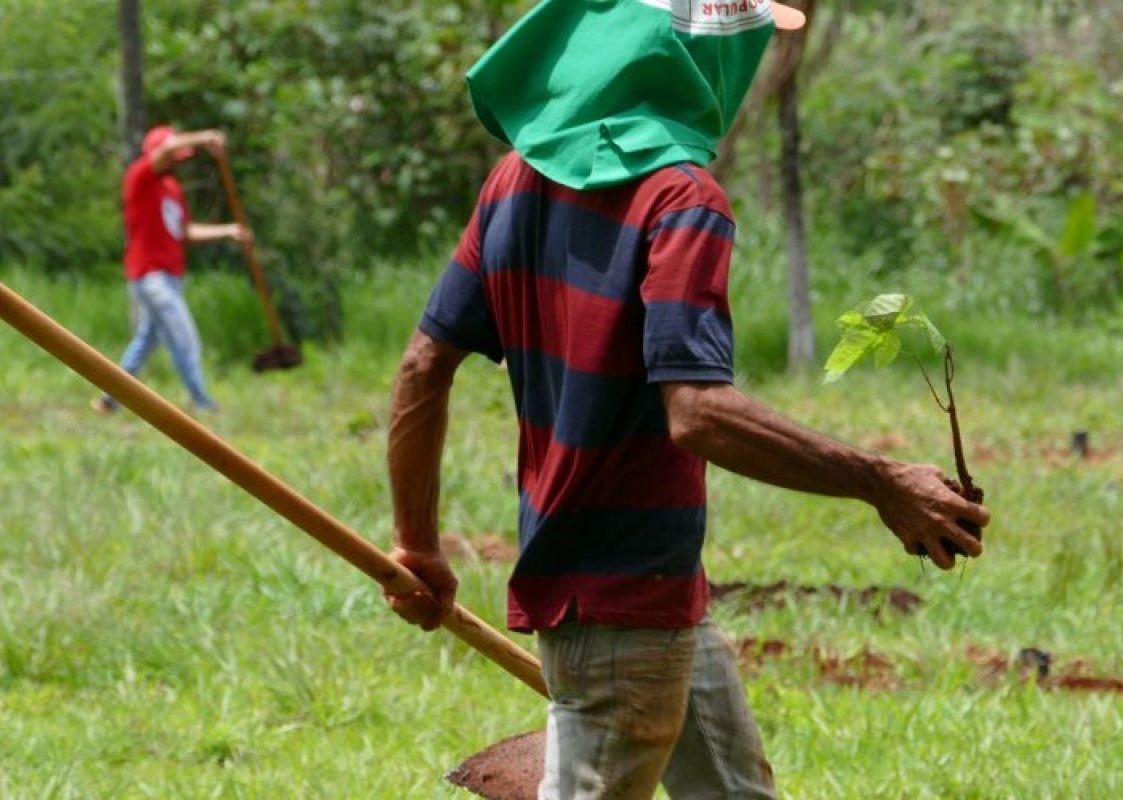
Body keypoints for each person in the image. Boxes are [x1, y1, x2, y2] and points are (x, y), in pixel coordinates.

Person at [384, 2, 990, 798]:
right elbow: (697, 412)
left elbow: (424, 364)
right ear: (699, 61)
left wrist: (416, 543)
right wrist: (879, 481)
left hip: (649, 595)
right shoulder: (681, 200)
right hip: (621, 614)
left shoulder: (511, 182)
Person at [92, 125, 249, 414]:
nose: (179, 160)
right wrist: (204, 138)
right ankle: (201, 400)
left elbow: (185, 231)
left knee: (146, 340)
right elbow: (165, 151)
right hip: (150, 275)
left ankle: (108, 399)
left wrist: (229, 231)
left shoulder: (172, 189)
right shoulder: (140, 177)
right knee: (183, 335)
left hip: (171, 276)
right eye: (176, 154)